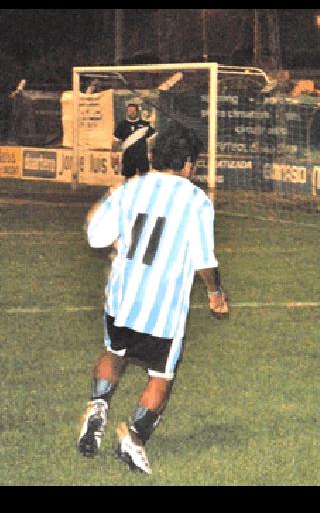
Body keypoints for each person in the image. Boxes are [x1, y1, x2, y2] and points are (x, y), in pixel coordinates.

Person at [77, 123, 229, 475]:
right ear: (190, 163)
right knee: (160, 375)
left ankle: (98, 407)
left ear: (153, 156)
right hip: (162, 309)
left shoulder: (130, 188)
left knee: (114, 353)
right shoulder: (195, 200)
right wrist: (216, 291)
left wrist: (122, 242)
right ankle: (134, 437)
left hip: (121, 298)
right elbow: (204, 260)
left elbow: (96, 237)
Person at [114, 103, 157, 179]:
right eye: (130, 111)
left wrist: (150, 150)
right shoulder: (121, 125)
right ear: (127, 112)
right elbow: (116, 141)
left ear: (137, 112)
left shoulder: (145, 124)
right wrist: (115, 154)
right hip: (128, 158)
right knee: (128, 179)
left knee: (144, 178)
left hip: (142, 157)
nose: (132, 113)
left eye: (133, 111)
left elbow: (153, 137)